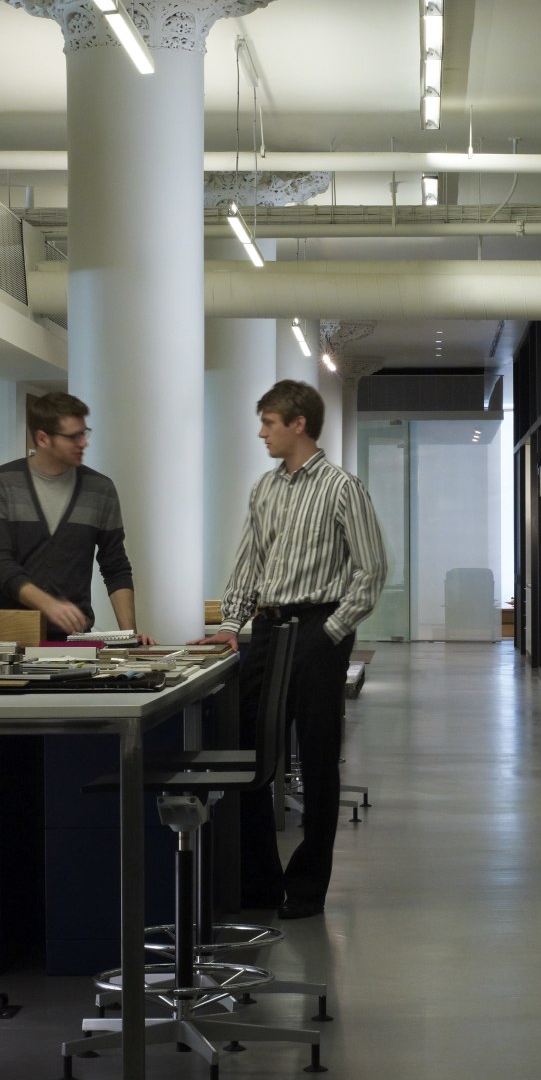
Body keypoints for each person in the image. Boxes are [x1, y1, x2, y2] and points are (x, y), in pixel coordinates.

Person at [208, 377, 385, 918]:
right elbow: (248, 562)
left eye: (268, 423)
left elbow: (371, 568)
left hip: (317, 627)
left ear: (298, 424)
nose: (261, 433)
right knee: (248, 753)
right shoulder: (264, 488)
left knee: (315, 756)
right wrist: (231, 624)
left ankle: (307, 888)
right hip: (265, 630)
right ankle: (258, 882)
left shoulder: (341, 487)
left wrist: (332, 632)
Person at [0, 391, 143, 640]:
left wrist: (129, 635)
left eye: (84, 433)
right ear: (43, 439)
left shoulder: (100, 489)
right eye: (73, 437)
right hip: (8, 637)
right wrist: (47, 604)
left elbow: (115, 566)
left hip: (72, 639)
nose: (83, 443)